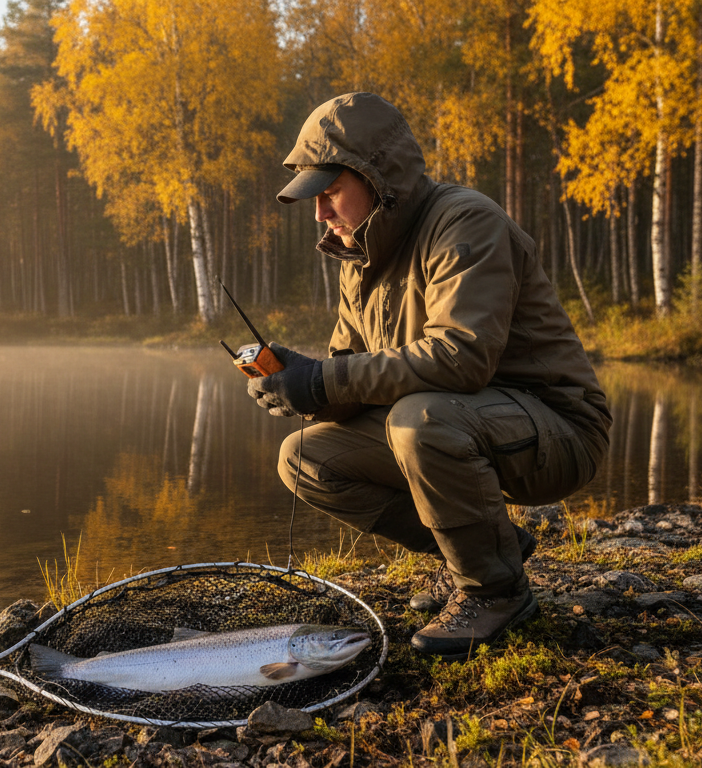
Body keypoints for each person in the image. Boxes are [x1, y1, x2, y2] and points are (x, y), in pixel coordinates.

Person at [247, 92, 611, 660]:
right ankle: (487, 550)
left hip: (557, 428)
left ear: (378, 175)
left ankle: (496, 592)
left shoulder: (465, 221)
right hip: (465, 422)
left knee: (421, 420)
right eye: (313, 198)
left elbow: (461, 358)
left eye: (329, 191)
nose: (319, 212)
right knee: (305, 458)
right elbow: (351, 375)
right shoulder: (361, 255)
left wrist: (326, 381)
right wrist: (300, 383)